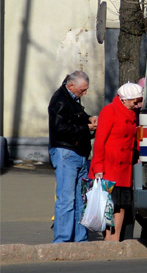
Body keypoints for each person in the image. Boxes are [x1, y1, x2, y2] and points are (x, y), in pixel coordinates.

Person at [47, 70, 97, 242]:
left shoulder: (72, 98)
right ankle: (62, 240)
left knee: (80, 200)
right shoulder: (60, 100)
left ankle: (80, 239)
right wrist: (86, 128)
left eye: (86, 89)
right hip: (66, 153)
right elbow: (60, 129)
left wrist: (89, 118)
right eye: (82, 90)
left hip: (79, 153)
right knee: (67, 200)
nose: (85, 93)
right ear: (71, 85)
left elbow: (76, 117)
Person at [89, 82, 142, 241]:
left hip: (124, 168)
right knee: (107, 205)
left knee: (121, 205)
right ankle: (107, 238)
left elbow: (135, 138)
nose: (137, 103)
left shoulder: (133, 113)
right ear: (125, 99)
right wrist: (98, 166)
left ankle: (116, 237)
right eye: (135, 100)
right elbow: (99, 142)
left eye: (139, 100)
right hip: (109, 167)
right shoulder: (109, 111)